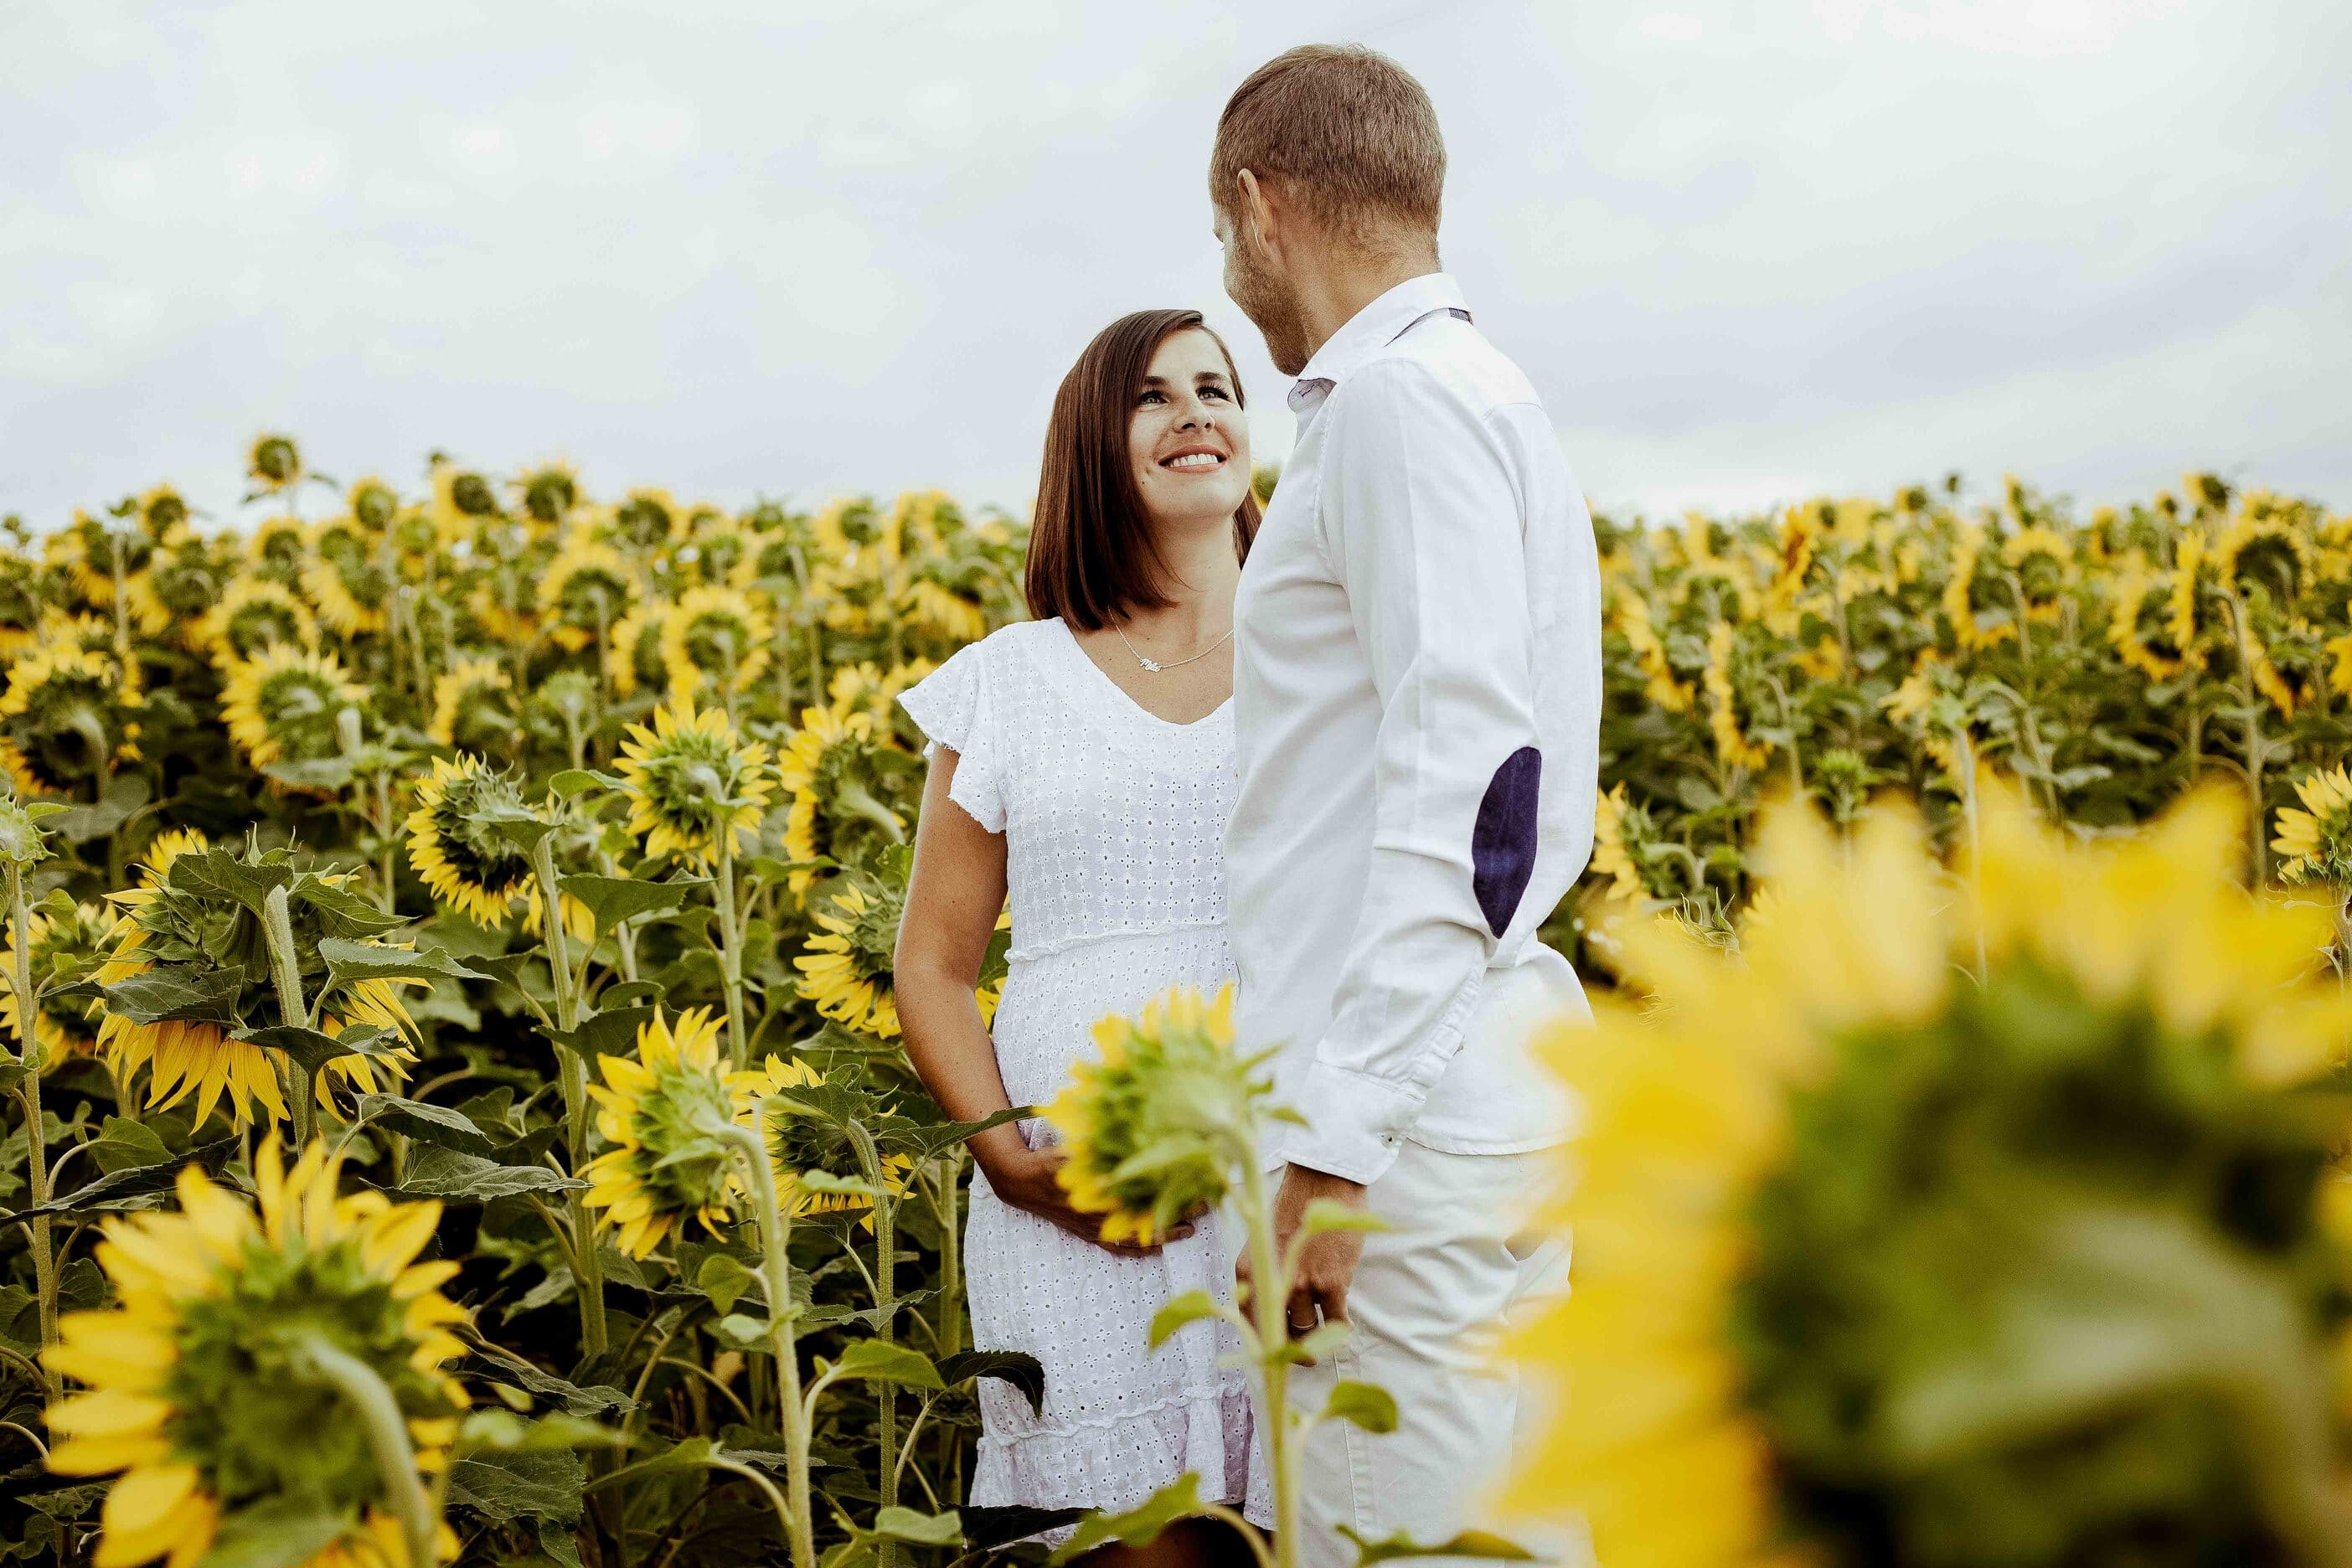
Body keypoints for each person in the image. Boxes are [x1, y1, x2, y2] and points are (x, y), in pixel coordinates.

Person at [1210, 44, 1603, 1564]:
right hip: (1473, 1080)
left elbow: (1475, 793)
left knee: (1390, 1535)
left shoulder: (1393, 405)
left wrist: (1336, 1142)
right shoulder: (1479, 393)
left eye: (1222, 229)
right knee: (1518, 1532)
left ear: (1262, 206)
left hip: (1407, 1118)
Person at [893, 308, 1271, 1564]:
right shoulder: (1008, 681)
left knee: (1307, 1514)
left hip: (1284, 1172)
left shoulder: (1320, 653)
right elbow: (934, 963)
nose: (1194, 411)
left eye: (1217, 387)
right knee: (1124, 1546)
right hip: (1073, 1200)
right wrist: (1008, 1158)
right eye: (1153, 396)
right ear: (1092, 450)